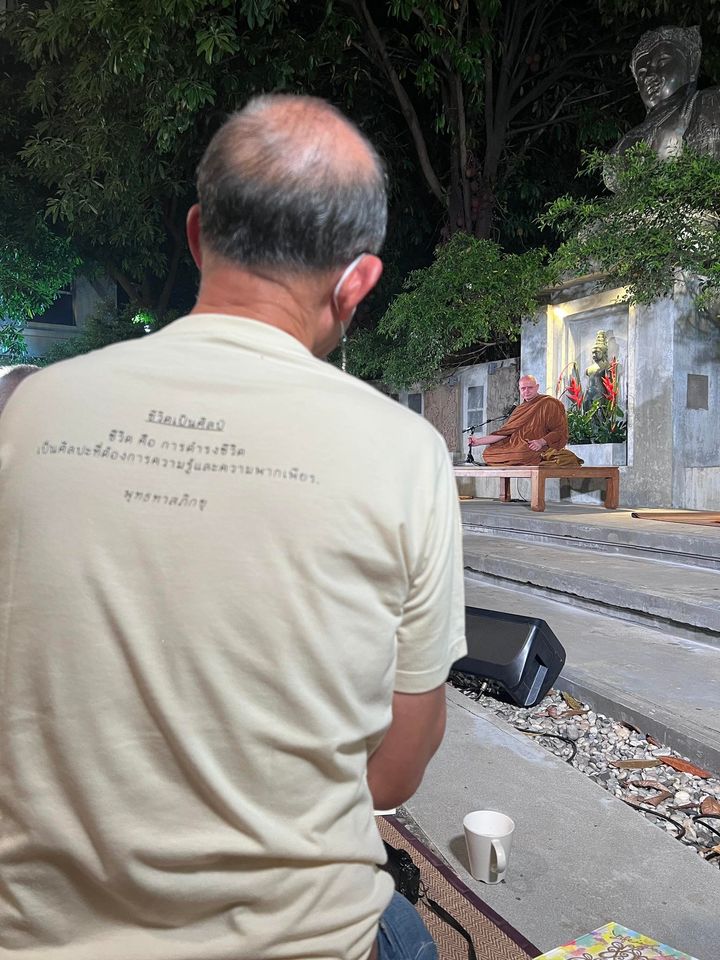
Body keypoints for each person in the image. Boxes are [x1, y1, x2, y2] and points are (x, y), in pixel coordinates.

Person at [0, 96, 466, 960]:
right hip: (301, 941)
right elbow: (396, 772)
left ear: (196, 235)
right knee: (406, 929)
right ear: (358, 282)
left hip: (36, 938)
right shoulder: (405, 451)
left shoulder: (30, 412)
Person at [611, 25, 720, 166]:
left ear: (692, 62)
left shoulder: (708, 102)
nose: (649, 76)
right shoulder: (626, 141)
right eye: (641, 73)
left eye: (662, 61)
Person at [469, 374, 569, 465]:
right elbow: (505, 433)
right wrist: (478, 442)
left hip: (535, 446)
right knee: (489, 453)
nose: (526, 391)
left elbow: (559, 431)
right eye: (523, 388)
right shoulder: (520, 409)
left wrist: (541, 442)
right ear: (519, 389)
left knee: (522, 453)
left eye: (530, 387)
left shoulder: (549, 403)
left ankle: (520, 457)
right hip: (517, 446)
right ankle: (516, 457)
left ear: (537, 387)